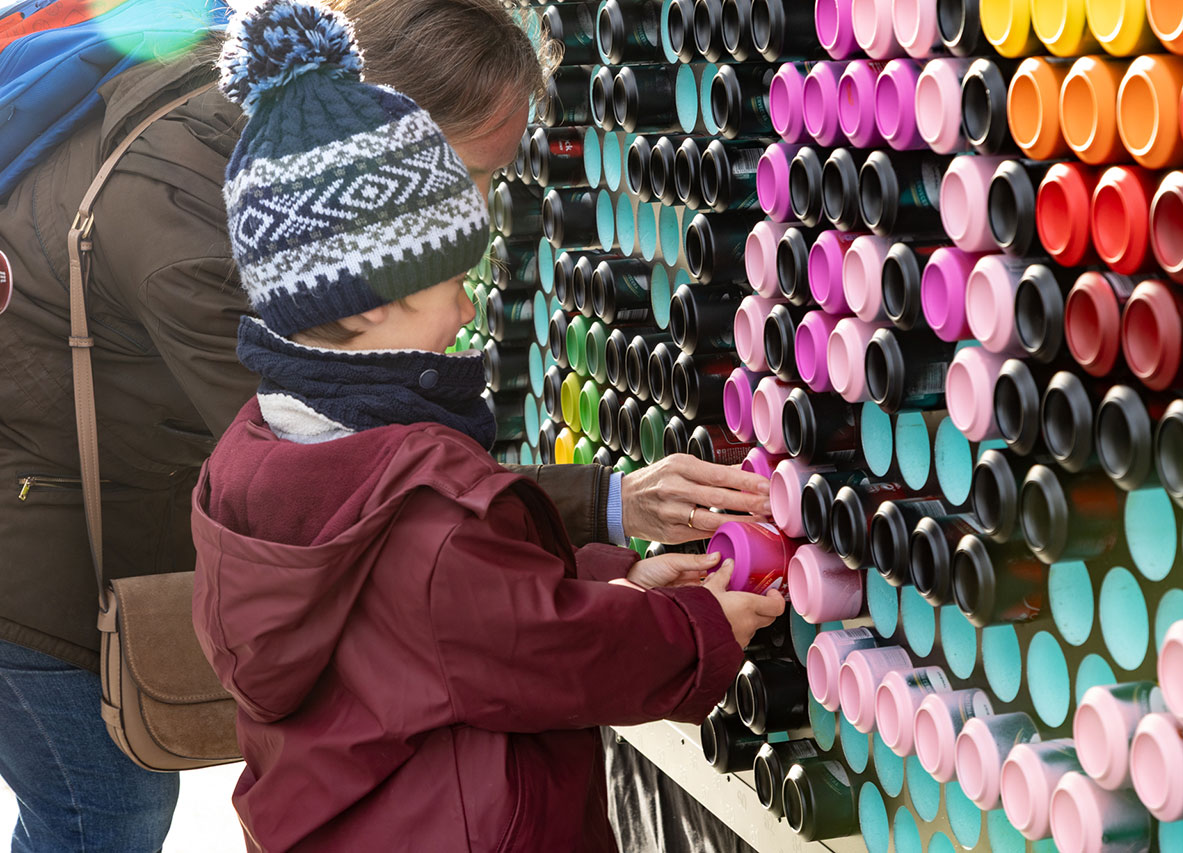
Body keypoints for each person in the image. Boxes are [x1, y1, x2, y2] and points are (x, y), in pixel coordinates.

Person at [0, 0, 770, 849]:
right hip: (40, 556)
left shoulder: (265, 426)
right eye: (471, 183)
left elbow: (435, 584)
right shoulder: (199, 250)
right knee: (98, 816)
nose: (472, 293)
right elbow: (488, 603)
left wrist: (600, 574)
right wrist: (687, 630)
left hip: (344, 808)